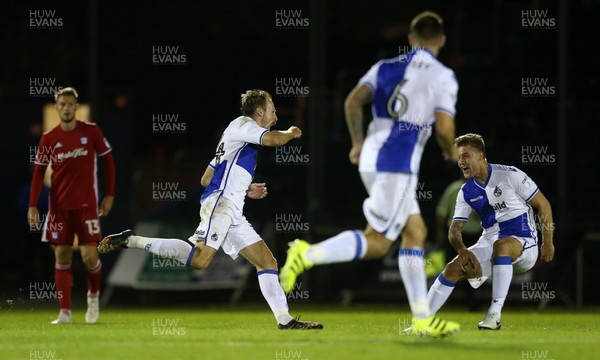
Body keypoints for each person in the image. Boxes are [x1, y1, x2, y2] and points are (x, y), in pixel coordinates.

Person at [279, 11, 460, 336]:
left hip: (373, 155)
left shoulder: (385, 67)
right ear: (441, 41)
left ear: (410, 40)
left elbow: (352, 102)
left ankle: (422, 320)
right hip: (397, 162)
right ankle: (307, 254)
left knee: (414, 232)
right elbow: (445, 128)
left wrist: (358, 142)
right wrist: (450, 151)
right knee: (377, 242)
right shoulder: (443, 76)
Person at [98, 89, 322, 330]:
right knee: (200, 260)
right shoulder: (243, 124)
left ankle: (285, 321)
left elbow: (206, 178)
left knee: (267, 261)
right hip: (221, 205)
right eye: (272, 110)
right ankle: (131, 241)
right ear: (259, 112)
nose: (275, 116)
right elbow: (273, 140)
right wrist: (292, 132)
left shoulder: (235, 135)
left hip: (231, 207)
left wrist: (244, 189)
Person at [426, 133, 554, 329]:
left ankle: (494, 315)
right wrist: (462, 250)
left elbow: (543, 205)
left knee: (501, 245)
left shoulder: (509, 175)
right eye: (459, 157)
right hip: (490, 242)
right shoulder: (466, 192)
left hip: (524, 242)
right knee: (452, 268)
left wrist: (547, 242)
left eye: (466, 155)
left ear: (481, 155)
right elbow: (454, 230)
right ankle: (422, 320)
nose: (461, 162)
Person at [28, 87, 115, 324]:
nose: (66, 108)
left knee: (89, 256)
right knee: (62, 254)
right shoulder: (49, 137)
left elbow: (108, 160)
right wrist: (33, 205)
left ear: (76, 107)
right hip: (59, 209)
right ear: (57, 108)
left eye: (70, 104)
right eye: (62, 105)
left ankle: (93, 296)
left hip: (87, 206)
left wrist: (110, 195)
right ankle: (64, 312)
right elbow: (38, 173)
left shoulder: (91, 131)